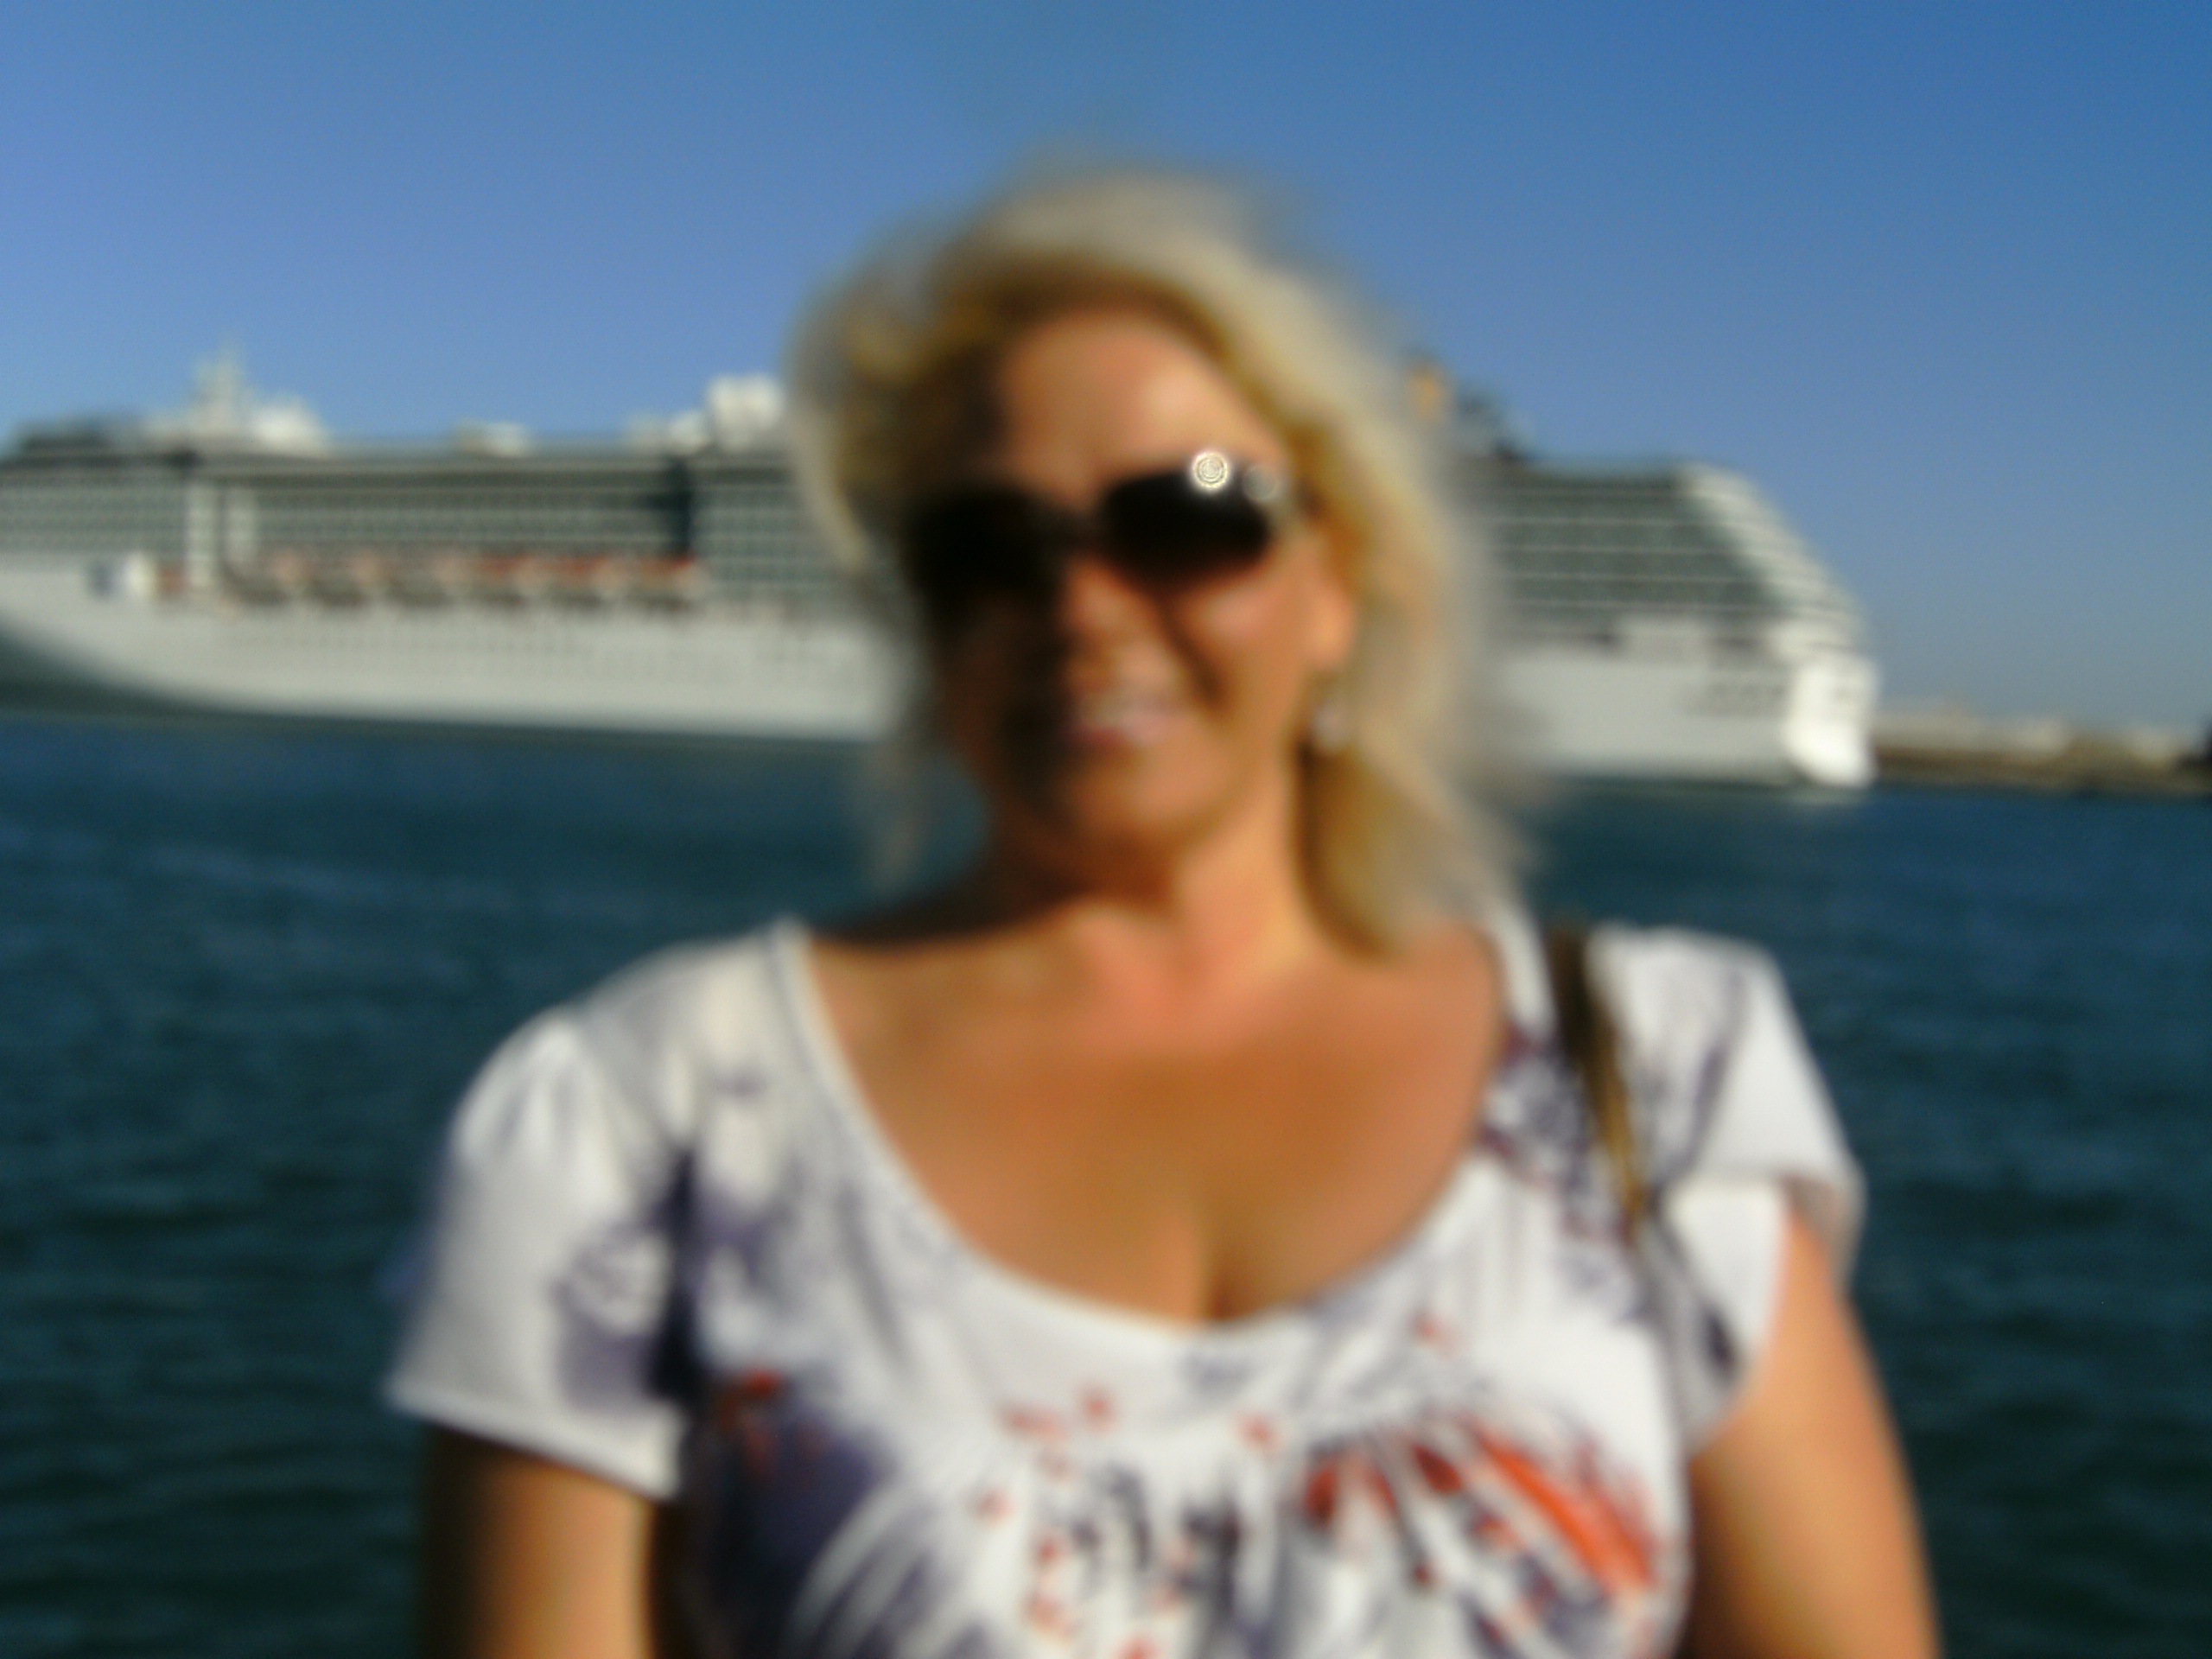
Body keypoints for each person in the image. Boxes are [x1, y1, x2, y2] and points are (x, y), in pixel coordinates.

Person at [387, 172, 1938, 1659]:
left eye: (1190, 519)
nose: (1083, 608)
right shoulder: (633, 1118)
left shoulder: (1647, 1072)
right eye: (986, 550)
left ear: (1339, 582)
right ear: (922, 619)